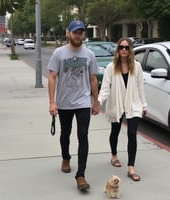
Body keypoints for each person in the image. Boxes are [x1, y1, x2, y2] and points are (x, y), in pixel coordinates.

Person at [47, 20, 100, 191]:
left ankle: (81, 175)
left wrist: (96, 101)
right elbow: (52, 77)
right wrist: (52, 102)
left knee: (83, 135)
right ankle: (66, 157)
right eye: (75, 32)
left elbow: (93, 79)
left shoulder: (89, 54)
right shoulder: (59, 53)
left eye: (81, 32)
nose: (78, 35)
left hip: (83, 101)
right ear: (68, 33)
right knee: (66, 133)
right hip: (64, 102)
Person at [98, 37, 147, 181]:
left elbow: (140, 87)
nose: (124, 50)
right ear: (118, 50)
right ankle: (114, 155)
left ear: (130, 49)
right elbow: (105, 88)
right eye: (121, 47)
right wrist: (98, 102)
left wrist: (144, 105)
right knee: (115, 131)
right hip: (117, 103)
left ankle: (131, 167)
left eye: (127, 47)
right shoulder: (110, 68)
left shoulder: (137, 66)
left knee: (132, 133)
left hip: (133, 104)